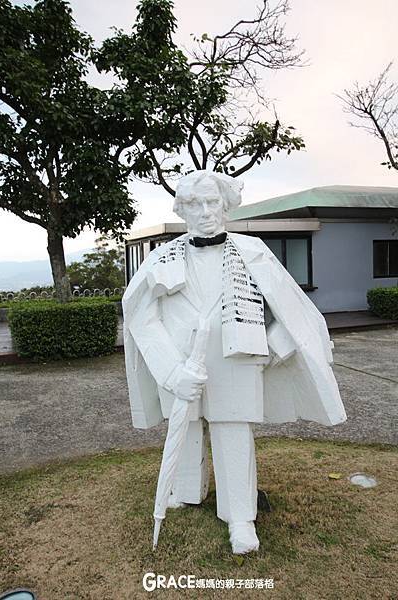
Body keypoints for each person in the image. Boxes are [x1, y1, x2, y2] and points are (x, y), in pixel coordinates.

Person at [122, 170, 346, 554]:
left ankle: (240, 516)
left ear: (225, 206)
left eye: (213, 203)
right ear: (181, 209)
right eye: (195, 204)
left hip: (236, 358)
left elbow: (294, 308)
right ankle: (188, 490)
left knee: (232, 433)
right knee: (186, 427)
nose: (206, 212)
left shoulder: (253, 250)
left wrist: (275, 343)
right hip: (179, 361)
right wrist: (172, 371)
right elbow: (139, 314)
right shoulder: (161, 257)